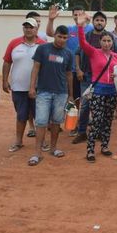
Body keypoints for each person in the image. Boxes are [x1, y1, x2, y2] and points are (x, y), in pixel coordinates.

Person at [76, 12, 117, 162]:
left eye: (109, 41)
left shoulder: (116, 57)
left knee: (107, 121)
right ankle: (90, 150)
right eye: (104, 40)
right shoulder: (94, 52)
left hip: (112, 92)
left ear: (112, 42)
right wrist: (80, 26)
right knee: (96, 121)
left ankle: (105, 146)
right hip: (98, 91)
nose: (107, 43)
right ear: (100, 42)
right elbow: (82, 43)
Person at [28, 25, 73, 166]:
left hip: (61, 93)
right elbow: (35, 68)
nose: (61, 40)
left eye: (65, 37)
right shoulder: (43, 49)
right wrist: (32, 87)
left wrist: (71, 95)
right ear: (55, 35)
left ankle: (53, 148)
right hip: (43, 91)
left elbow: (69, 75)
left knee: (56, 121)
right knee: (41, 122)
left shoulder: (68, 53)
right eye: (59, 36)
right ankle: (37, 153)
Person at [46, 4, 93, 135]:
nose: (77, 16)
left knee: (87, 99)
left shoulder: (90, 28)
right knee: (72, 98)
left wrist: (90, 19)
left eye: (80, 14)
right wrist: (51, 20)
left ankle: (85, 122)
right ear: (72, 16)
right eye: (75, 14)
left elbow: (102, 31)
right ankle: (74, 124)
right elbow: (50, 33)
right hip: (69, 70)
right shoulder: (69, 29)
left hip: (87, 70)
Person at [2, 18, 46, 153]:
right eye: (26, 27)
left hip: (39, 88)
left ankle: (42, 143)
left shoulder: (43, 45)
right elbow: (7, 62)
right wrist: (4, 80)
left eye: (31, 27)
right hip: (18, 87)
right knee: (21, 116)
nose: (28, 29)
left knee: (40, 117)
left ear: (36, 29)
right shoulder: (14, 43)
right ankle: (18, 142)